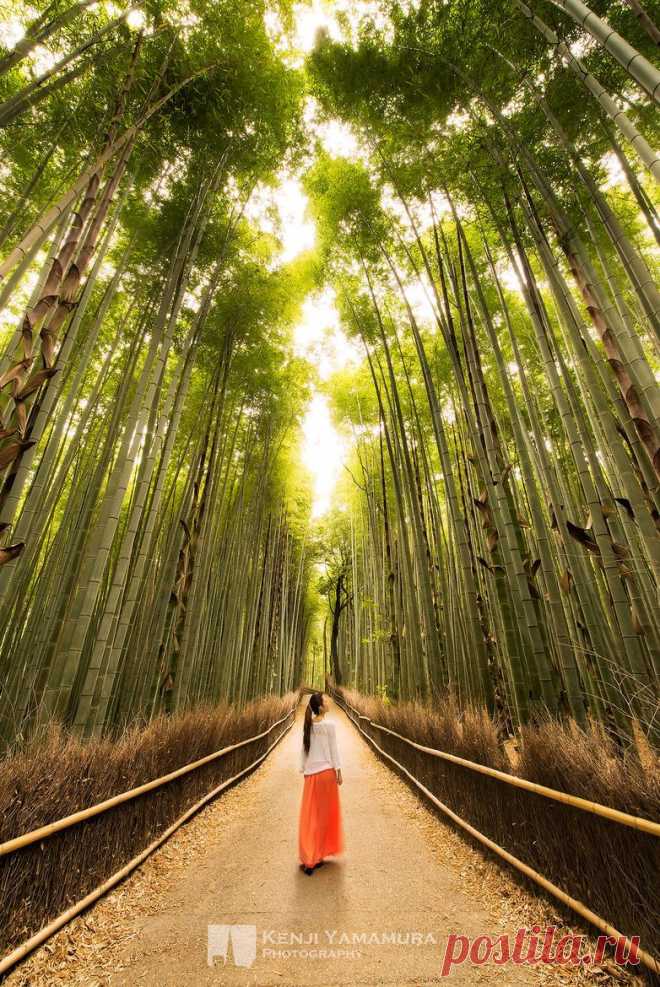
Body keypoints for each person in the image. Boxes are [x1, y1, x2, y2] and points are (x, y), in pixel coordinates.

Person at [298, 691, 344, 875]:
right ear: (321, 707)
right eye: (326, 700)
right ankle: (318, 854)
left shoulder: (308, 725)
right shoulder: (330, 726)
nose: (329, 702)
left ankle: (311, 856)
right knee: (325, 816)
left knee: (311, 817)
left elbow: (304, 750)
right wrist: (338, 770)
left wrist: (304, 769)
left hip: (312, 775)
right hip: (326, 775)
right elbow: (334, 750)